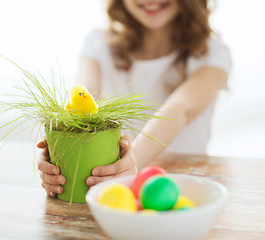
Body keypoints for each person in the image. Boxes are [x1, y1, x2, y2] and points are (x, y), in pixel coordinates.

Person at [37, 0, 231, 197]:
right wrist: (57, 148)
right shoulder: (98, 44)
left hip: (188, 190)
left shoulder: (212, 53)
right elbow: (81, 102)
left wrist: (131, 163)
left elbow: (181, 109)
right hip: (116, 191)